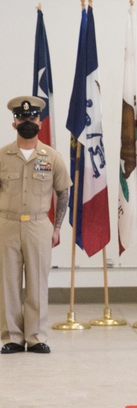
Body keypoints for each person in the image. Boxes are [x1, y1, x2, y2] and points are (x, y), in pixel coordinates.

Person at [0, 96, 69, 355]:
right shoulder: (2, 156)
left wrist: (57, 227)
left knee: (38, 283)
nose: (27, 122)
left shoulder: (51, 156)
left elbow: (63, 193)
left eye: (32, 118)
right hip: (6, 224)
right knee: (7, 283)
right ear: (13, 122)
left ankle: (37, 336)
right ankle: (12, 338)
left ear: (40, 121)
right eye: (22, 118)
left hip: (39, 225)